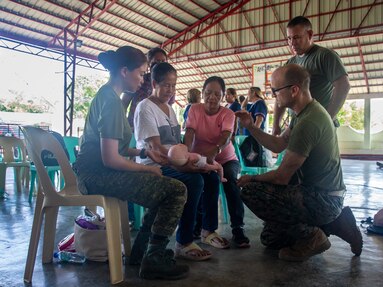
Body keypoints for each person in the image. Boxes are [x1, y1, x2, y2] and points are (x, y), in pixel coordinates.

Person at [72, 46, 189, 279]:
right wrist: (148, 169)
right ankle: (154, 258)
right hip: (97, 176)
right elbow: (111, 158)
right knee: (176, 190)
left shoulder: (106, 96)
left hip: (94, 172)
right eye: (141, 73)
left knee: (162, 189)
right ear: (124, 71)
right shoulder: (113, 102)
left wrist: (144, 151)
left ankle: (141, 252)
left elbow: (117, 147)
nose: (143, 79)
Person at [236, 64, 362, 261]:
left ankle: (314, 236)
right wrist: (251, 127)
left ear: (294, 90)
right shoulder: (303, 113)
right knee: (270, 239)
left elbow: (281, 177)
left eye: (275, 90)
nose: (273, 95)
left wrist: (251, 178)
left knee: (251, 191)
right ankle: (335, 224)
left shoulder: (308, 122)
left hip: (323, 198)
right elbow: (278, 145)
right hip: (318, 194)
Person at [134, 62, 215, 261]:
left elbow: (175, 144)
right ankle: (184, 241)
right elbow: (158, 149)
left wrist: (191, 160)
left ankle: (207, 230)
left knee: (211, 176)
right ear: (154, 83)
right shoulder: (145, 108)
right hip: (154, 165)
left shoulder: (170, 110)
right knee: (194, 181)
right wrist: (185, 164)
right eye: (166, 85)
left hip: (172, 162)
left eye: (173, 85)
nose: (170, 90)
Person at [185, 76, 250, 248]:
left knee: (230, 180)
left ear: (222, 96)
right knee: (199, 183)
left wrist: (214, 152)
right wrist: (186, 152)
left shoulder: (227, 113)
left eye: (216, 94)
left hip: (226, 159)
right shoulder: (194, 109)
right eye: (208, 93)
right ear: (202, 93)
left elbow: (226, 137)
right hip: (201, 159)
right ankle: (199, 225)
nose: (211, 97)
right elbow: (190, 132)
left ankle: (238, 228)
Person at [272, 16, 350, 135]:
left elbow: (343, 86)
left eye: (297, 37)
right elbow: (280, 94)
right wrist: (275, 125)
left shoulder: (325, 56)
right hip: (298, 124)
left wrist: (327, 119)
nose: (292, 43)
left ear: (309, 34)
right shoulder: (290, 63)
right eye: (289, 38)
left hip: (318, 125)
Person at [121, 47, 170, 129]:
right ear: (149, 63)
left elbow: (168, 109)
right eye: (156, 61)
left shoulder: (168, 85)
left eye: (163, 62)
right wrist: (124, 125)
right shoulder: (138, 80)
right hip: (135, 128)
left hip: (156, 129)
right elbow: (124, 103)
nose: (160, 65)